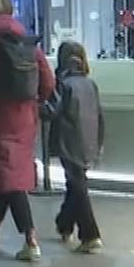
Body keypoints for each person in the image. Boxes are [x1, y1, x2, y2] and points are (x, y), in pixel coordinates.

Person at [0, 0, 55, 263]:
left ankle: (30, 239)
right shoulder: (25, 39)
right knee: (13, 172)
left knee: (10, 178)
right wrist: (36, 101)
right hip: (25, 117)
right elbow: (48, 78)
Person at [47, 41, 105, 253]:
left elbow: (52, 110)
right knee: (75, 182)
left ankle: (90, 234)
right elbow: (99, 115)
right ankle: (64, 223)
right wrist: (99, 142)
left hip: (69, 139)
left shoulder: (63, 84)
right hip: (88, 139)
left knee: (78, 186)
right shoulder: (90, 84)